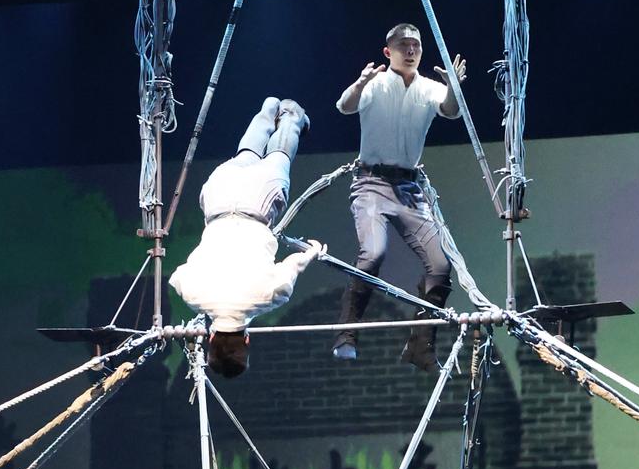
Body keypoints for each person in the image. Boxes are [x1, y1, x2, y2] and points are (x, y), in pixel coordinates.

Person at [333, 24, 466, 371]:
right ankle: (346, 334)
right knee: (373, 253)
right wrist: (360, 83)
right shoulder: (374, 83)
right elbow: (344, 106)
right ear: (387, 51)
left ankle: (421, 345)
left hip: (409, 190)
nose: (410, 51)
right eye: (403, 45)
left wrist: (453, 87)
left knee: (440, 265)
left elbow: (451, 110)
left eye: (415, 46)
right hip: (371, 183)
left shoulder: (429, 88)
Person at [168, 96, 325, 377]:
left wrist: (312, 253)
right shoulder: (192, 295)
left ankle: (292, 116)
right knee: (246, 155)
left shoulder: (268, 298)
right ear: (211, 338)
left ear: (247, 340)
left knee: (279, 156)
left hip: (258, 203)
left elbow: (292, 265)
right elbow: (178, 275)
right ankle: (269, 108)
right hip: (217, 198)